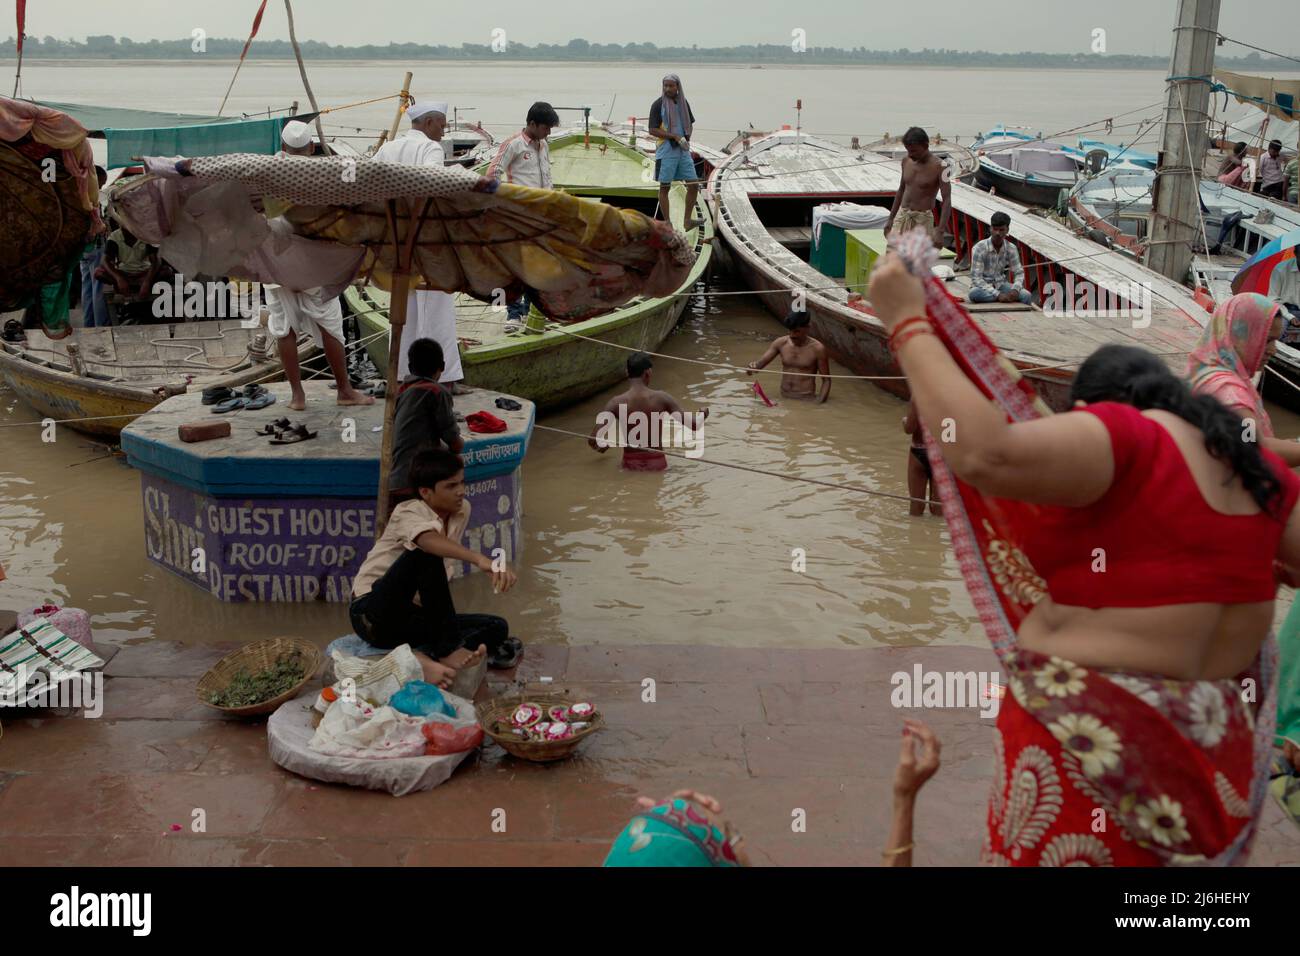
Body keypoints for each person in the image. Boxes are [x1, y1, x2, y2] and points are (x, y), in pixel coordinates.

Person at [869, 244, 1300, 866]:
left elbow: (986, 453)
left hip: (1093, 753)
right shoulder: (1258, 479)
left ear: (1095, 411)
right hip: (1210, 766)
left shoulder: (1130, 434)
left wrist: (906, 320)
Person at [349, 449, 524, 684]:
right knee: (425, 555)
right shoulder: (407, 511)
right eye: (451, 486)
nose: (461, 491)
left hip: (411, 618)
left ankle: (426, 658)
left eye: (462, 483)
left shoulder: (462, 510)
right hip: (372, 615)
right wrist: (480, 559)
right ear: (425, 492)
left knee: (496, 626)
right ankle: (448, 651)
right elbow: (428, 542)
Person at [264, 121, 374, 411]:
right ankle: (344, 390)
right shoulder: (320, 175)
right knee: (331, 326)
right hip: (309, 264)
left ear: (283, 147)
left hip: (276, 264)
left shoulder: (266, 170)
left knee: (283, 328)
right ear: (311, 147)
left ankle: (297, 396)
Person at [375, 100, 476, 393]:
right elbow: (433, 182)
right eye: (442, 127)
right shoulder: (429, 149)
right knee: (438, 309)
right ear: (430, 123)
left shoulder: (388, 148)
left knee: (402, 311)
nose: (442, 134)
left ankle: (400, 375)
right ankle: (445, 379)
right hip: (426, 239)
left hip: (396, 238)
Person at [1185, 292, 1300, 467]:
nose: (1273, 350)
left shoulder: (1204, 368)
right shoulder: (1227, 392)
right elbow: (1254, 448)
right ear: (1240, 334)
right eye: (1267, 340)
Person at [487, 102, 560, 330]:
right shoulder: (513, 145)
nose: (548, 132)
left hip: (541, 216)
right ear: (532, 124)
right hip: (517, 217)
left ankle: (532, 310)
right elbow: (492, 174)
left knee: (536, 267)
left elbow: (547, 178)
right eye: (546, 127)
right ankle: (513, 314)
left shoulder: (544, 145)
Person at [588, 351, 708, 471]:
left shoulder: (615, 403)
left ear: (627, 373)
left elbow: (593, 440)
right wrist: (703, 413)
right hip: (657, 464)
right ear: (648, 373)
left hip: (630, 466)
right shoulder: (662, 398)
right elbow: (694, 425)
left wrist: (603, 446)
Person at [388, 338, 464, 505]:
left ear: (409, 368)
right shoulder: (436, 391)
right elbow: (455, 443)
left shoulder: (401, 392)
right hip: (415, 485)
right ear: (442, 367)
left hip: (394, 481)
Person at [647, 74, 702, 229]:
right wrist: (675, 136)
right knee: (665, 187)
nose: (668, 89)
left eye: (671, 86)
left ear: (678, 86)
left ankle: (687, 221)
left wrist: (687, 137)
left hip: (683, 151)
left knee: (693, 184)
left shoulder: (684, 103)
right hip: (666, 150)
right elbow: (652, 129)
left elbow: (690, 123)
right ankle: (668, 224)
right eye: (665, 86)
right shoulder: (658, 105)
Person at [884, 127, 951, 247]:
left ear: (925, 145)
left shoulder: (942, 166)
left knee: (918, 262)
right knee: (893, 259)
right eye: (908, 150)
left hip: (922, 221)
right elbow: (901, 190)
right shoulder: (906, 161)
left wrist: (940, 231)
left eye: (914, 151)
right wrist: (891, 219)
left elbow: (946, 199)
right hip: (902, 217)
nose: (910, 154)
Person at [746, 312, 831, 402]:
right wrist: (751, 368)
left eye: (796, 331)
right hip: (784, 397)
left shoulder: (818, 349)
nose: (792, 335)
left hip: (805, 400)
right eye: (790, 330)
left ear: (807, 328)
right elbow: (758, 366)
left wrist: (819, 403)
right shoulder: (780, 343)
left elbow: (827, 381)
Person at [967, 211, 1032, 305]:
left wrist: (1015, 289)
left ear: (1007, 230)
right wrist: (998, 295)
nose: (997, 233)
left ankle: (1008, 301)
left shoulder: (1011, 248)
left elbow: (1019, 272)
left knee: (1027, 295)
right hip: (983, 287)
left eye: (1001, 230)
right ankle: (1003, 298)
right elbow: (976, 278)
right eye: (995, 229)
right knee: (973, 294)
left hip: (1001, 284)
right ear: (990, 228)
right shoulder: (979, 248)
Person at [78, 166, 110, 327]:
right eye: (101, 183)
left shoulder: (79, 195)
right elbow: (99, 226)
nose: (101, 187)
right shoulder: (92, 199)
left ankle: (89, 323)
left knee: (87, 287)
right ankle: (101, 325)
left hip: (83, 249)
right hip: (96, 246)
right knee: (99, 287)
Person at [904, 399, 941, 516]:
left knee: (916, 506)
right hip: (940, 455)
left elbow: (909, 428)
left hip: (918, 452)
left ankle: (914, 533)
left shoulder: (919, 393)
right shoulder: (951, 396)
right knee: (938, 508)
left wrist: (904, 421)